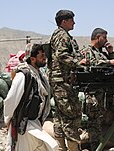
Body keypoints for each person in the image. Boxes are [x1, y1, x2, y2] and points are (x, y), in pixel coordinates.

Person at [3, 43, 59, 151]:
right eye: (41, 56)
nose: (44, 58)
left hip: (35, 123)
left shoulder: (40, 75)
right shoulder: (24, 75)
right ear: (33, 59)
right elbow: (11, 99)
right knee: (50, 146)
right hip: (25, 125)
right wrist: (8, 120)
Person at [47, 9, 86, 151]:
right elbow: (61, 55)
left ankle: (61, 148)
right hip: (63, 81)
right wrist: (78, 62)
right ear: (64, 21)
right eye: (72, 20)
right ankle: (73, 148)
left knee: (60, 116)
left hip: (61, 81)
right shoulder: (62, 35)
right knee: (71, 115)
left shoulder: (62, 35)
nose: (74, 22)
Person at [80, 27, 114, 150]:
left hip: (102, 92)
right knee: (93, 120)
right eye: (105, 37)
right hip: (91, 92)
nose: (106, 40)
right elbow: (91, 64)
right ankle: (93, 146)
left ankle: (97, 145)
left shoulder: (103, 53)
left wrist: (111, 52)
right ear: (98, 37)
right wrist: (108, 62)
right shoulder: (87, 51)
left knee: (99, 120)